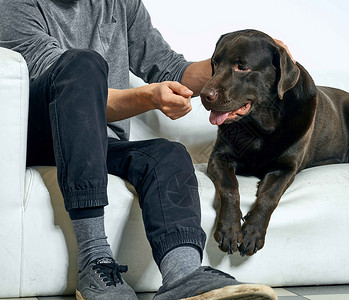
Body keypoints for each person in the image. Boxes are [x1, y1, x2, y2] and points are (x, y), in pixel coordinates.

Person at [0, 1, 282, 299]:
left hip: (102, 141)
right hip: (44, 134)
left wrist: (243, 59)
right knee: (81, 64)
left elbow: (170, 67)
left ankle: (184, 276)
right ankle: (95, 263)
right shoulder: (15, 5)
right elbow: (74, 92)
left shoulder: (120, 4)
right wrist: (149, 98)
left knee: (168, 154)